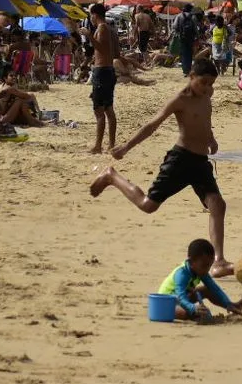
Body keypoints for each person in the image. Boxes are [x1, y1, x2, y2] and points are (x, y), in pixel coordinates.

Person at [90, 59, 234, 279]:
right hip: (180, 160)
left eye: (211, 84)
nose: (207, 88)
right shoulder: (180, 100)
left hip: (200, 162)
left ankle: (219, 261)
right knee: (148, 205)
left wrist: (211, 139)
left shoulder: (207, 96)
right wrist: (126, 146)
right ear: (191, 76)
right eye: (204, 82)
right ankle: (111, 176)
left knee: (217, 204)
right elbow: (152, 125)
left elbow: (205, 120)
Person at [159, 238, 242, 323]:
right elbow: (181, 296)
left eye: (209, 265)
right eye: (204, 265)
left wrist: (227, 303)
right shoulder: (181, 274)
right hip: (167, 303)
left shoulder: (201, 271)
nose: (207, 270)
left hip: (183, 299)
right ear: (191, 262)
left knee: (207, 290)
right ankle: (194, 315)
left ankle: (233, 307)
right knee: (185, 312)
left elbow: (214, 288)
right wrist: (193, 308)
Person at [88, 3, 119, 155]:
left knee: (99, 110)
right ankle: (111, 144)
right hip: (107, 70)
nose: (90, 18)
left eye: (90, 15)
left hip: (102, 72)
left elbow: (101, 48)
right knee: (108, 109)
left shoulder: (102, 28)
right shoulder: (110, 29)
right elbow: (115, 53)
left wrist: (88, 35)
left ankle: (98, 146)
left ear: (94, 14)